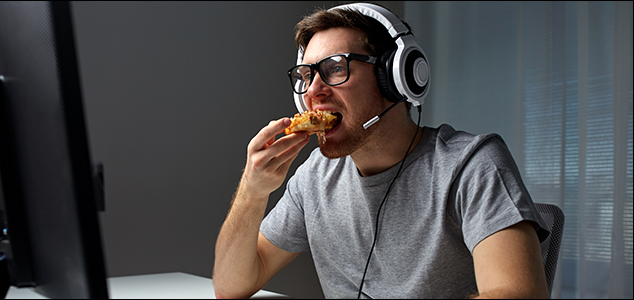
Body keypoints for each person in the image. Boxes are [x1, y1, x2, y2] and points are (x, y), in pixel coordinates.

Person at [213, 3, 550, 299]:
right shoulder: (315, 177)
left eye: (334, 68)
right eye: (306, 75)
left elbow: (521, 293)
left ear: (395, 76)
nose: (313, 92)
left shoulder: (471, 165)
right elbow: (231, 285)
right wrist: (252, 191)